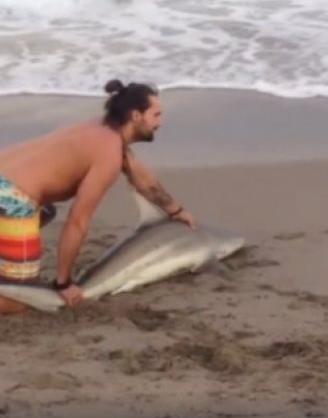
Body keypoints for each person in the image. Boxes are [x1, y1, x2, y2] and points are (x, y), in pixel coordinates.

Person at [0, 79, 196, 315]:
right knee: (17, 302)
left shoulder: (102, 129)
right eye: (156, 115)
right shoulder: (108, 155)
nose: (160, 122)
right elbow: (77, 222)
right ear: (136, 116)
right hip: (11, 198)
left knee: (46, 209)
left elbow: (142, 178)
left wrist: (175, 210)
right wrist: (63, 282)